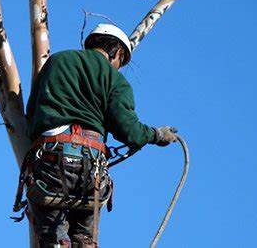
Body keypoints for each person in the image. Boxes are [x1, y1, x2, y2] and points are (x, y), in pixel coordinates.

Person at [23, 24, 178, 248]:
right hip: (91, 170)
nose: (118, 67)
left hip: (51, 160)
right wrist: (157, 134)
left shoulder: (57, 62)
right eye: (120, 63)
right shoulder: (115, 80)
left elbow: (32, 115)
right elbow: (130, 132)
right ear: (118, 53)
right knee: (84, 240)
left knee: (53, 239)